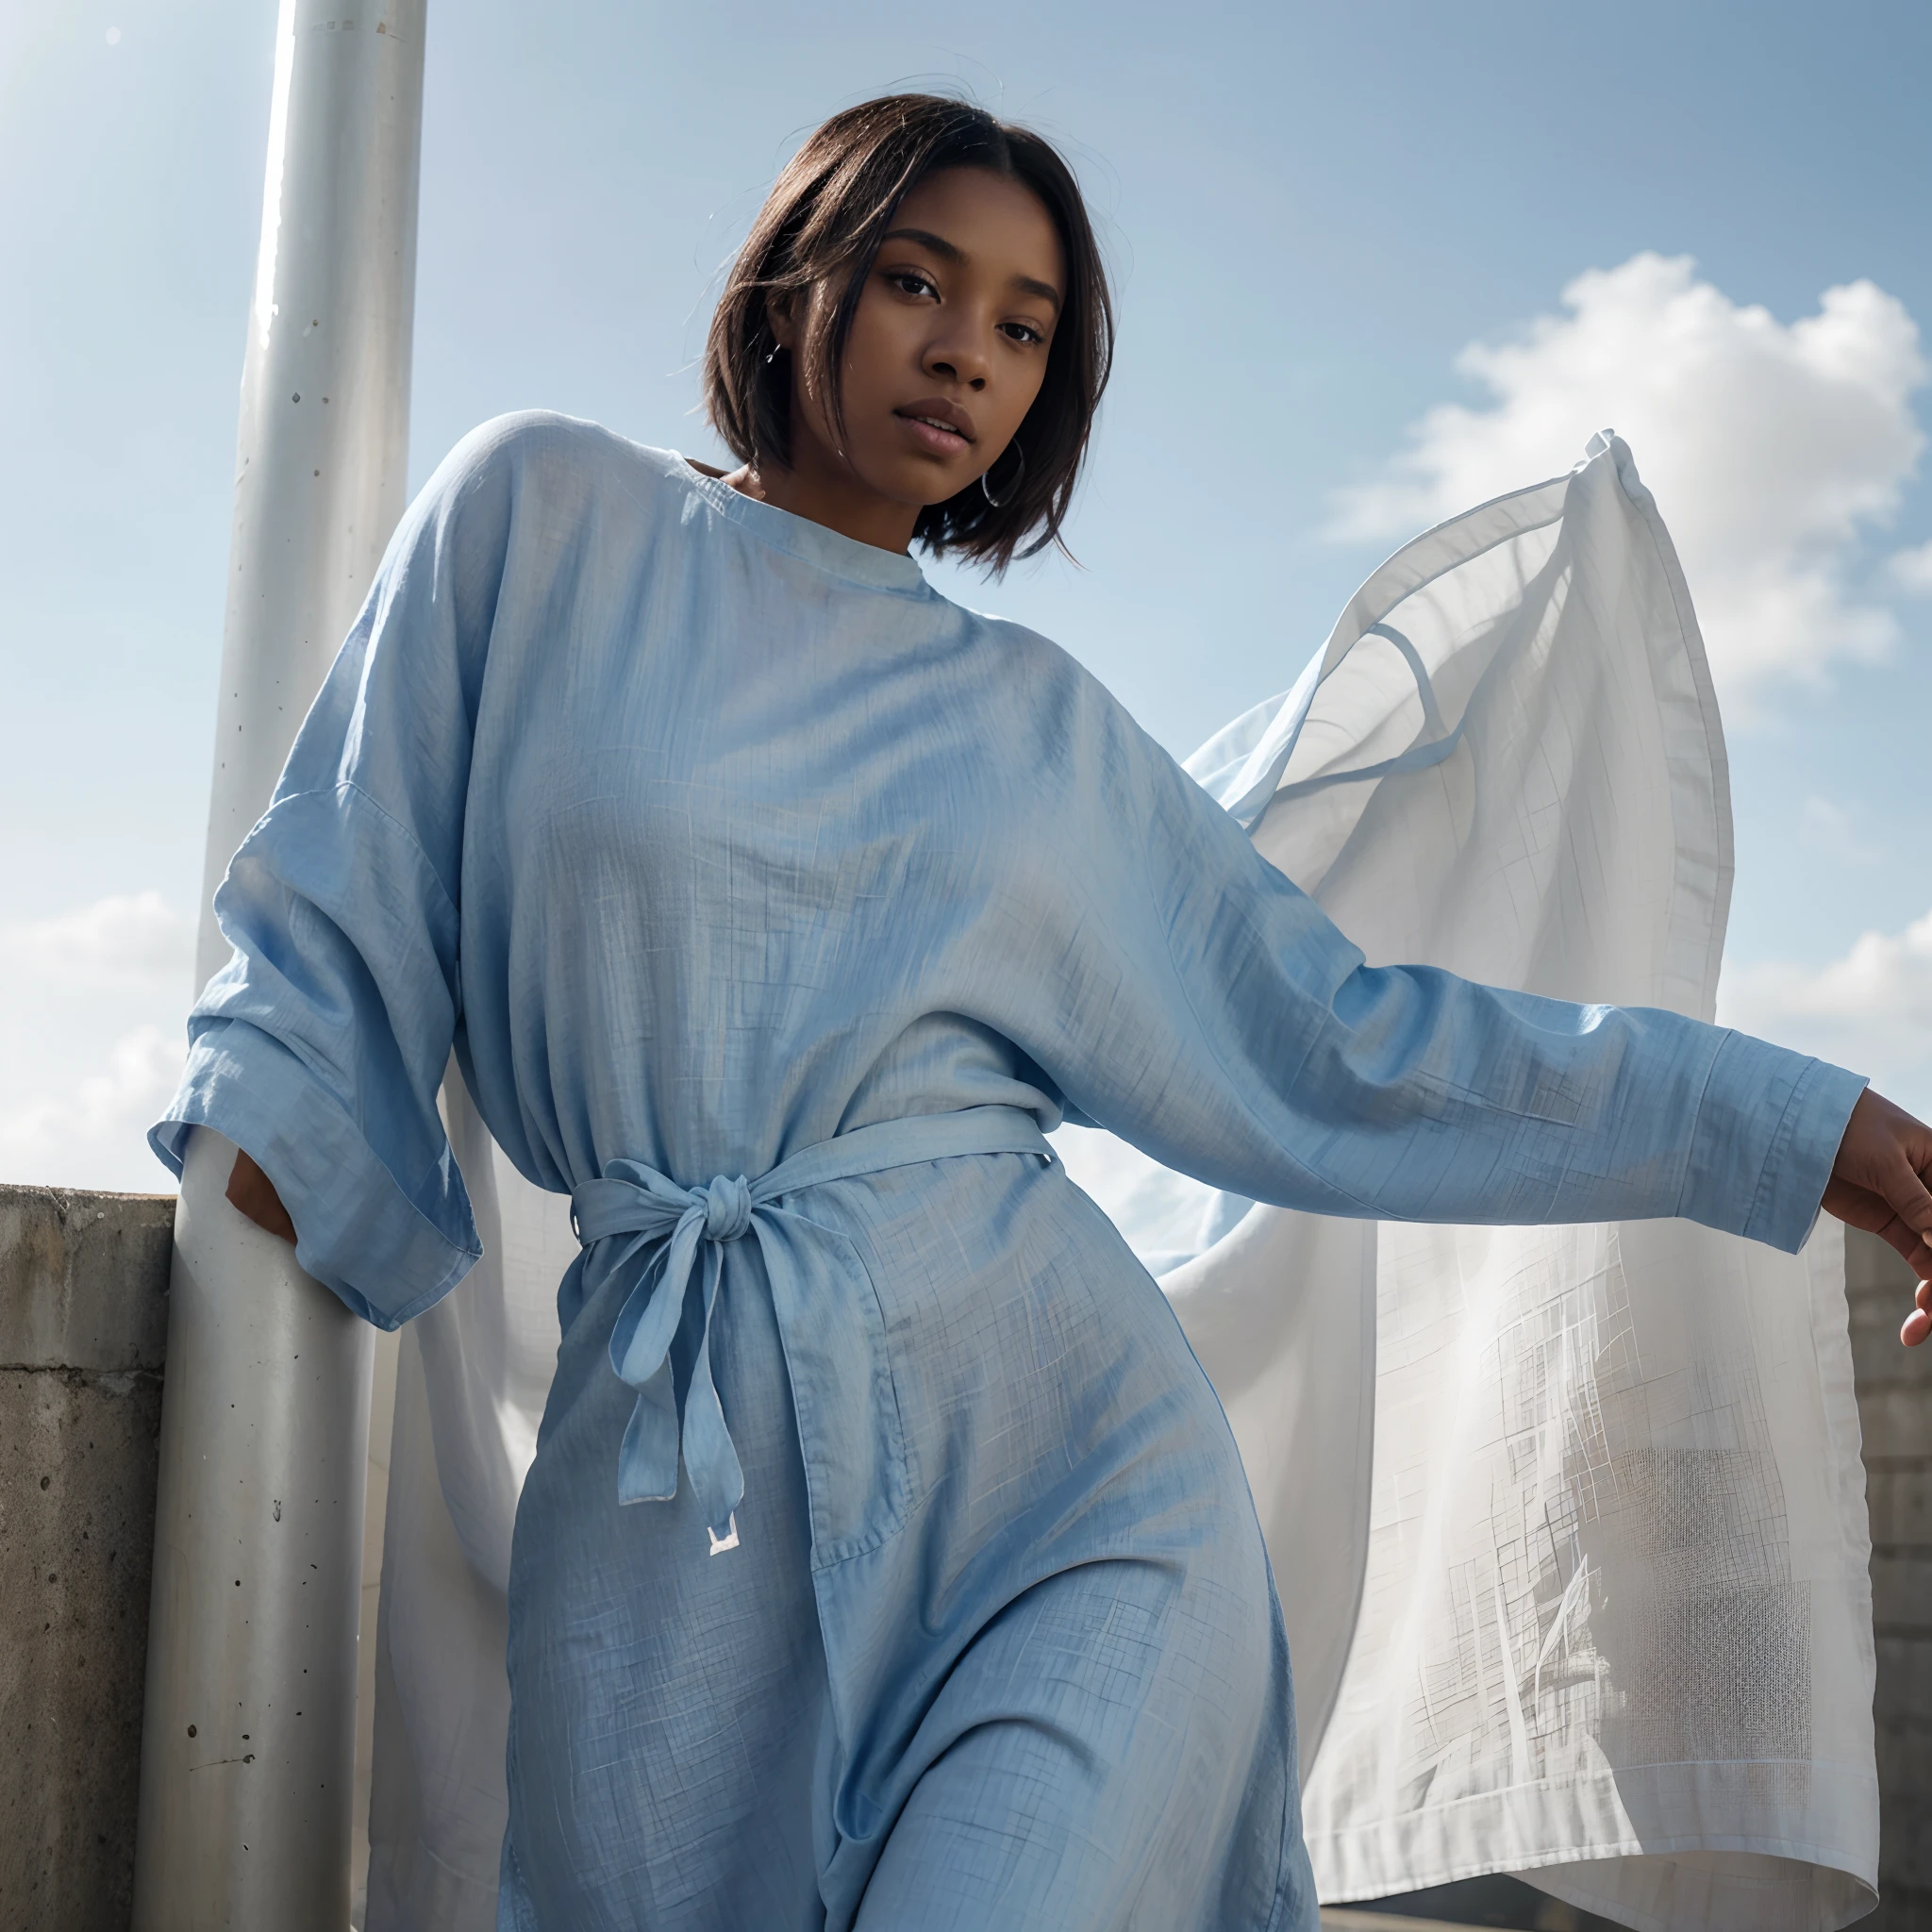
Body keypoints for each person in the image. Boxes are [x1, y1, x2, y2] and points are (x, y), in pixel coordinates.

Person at [151, 94, 1932, 1932]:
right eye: (918, 280)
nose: (965, 355)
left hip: (1071, 1498)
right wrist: (292, 1122)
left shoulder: (1031, 725)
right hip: (670, 1510)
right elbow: (341, 880)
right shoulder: (537, 516)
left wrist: (1795, 1128)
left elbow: (1345, 1039)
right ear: (795, 282)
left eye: (1023, 327)